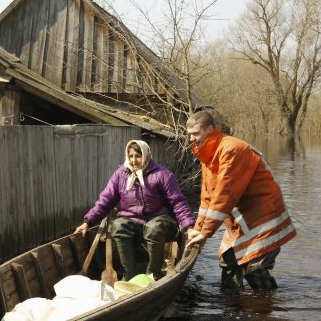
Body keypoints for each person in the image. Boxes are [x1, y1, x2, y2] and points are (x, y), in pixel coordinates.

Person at [184, 110, 296, 290]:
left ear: (210, 129)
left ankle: (265, 309)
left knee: (255, 268)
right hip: (241, 218)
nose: (191, 139)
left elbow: (224, 194)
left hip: (263, 214)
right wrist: (198, 230)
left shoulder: (232, 149)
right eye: (189, 134)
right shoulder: (207, 155)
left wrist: (206, 232)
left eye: (195, 133)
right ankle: (231, 308)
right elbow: (207, 198)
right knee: (229, 261)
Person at [75, 139, 195, 281]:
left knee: (153, 228)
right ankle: (129, 275)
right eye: (131, 156)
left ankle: (153, 274)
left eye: (138, 156)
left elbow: (178, 202)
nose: (134, 160)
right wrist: (88, 221)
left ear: (146, 156)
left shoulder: (162, 175)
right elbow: (105, 200)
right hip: (132, 221)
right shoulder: (121, 174)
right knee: (118, 225)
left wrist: (189, 227)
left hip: (160, 220)